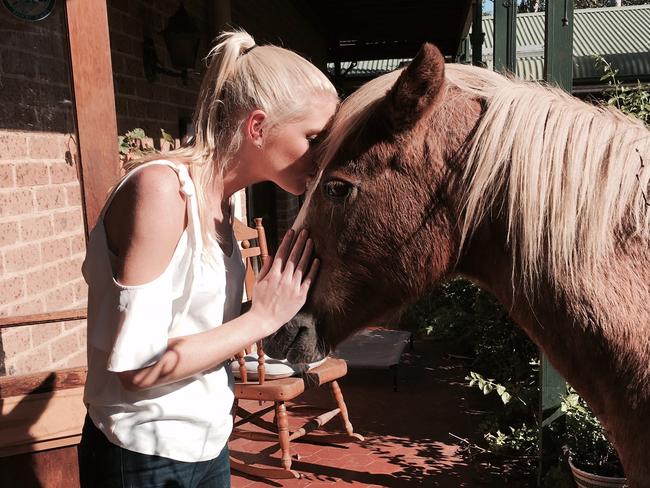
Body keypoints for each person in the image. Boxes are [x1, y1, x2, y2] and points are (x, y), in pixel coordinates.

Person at [78, 29, 338, 488]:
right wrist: (257, 320)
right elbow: (139, 369)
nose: (323, 156)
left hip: (209, 442)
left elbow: (191, 330)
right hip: (141, 454)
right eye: (314, 138)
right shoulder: (162, 190)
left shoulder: (221, 203)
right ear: (257, 127)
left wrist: (278, 311)